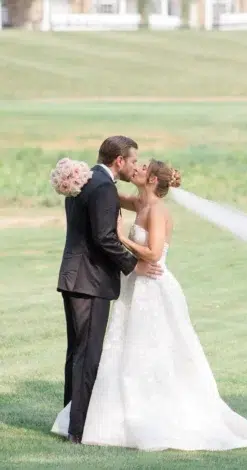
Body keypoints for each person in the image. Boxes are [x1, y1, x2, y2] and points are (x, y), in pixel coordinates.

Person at [52, 159, 247, 450]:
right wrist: (78, 177)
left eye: (143, 167)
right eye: (136, 164)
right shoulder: (140, 204)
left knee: (155, 348)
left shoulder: (158, 211)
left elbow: (153, 254)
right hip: (134, 287)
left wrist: (123, 238)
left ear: (152, 180)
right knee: (126, 349)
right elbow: (104, 191)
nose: (136, 168)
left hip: (153, 286)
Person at [56, 136, 162, 444]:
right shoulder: (103, 187)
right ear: (119, 161)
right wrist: (134, 265)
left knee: (76, 352)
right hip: (90, 281)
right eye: (133, 161)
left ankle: (69, 420)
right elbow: (105, 237)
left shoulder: (86, 178)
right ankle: (78, 429)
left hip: (74, 277)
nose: (134, 166)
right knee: (87, 354)